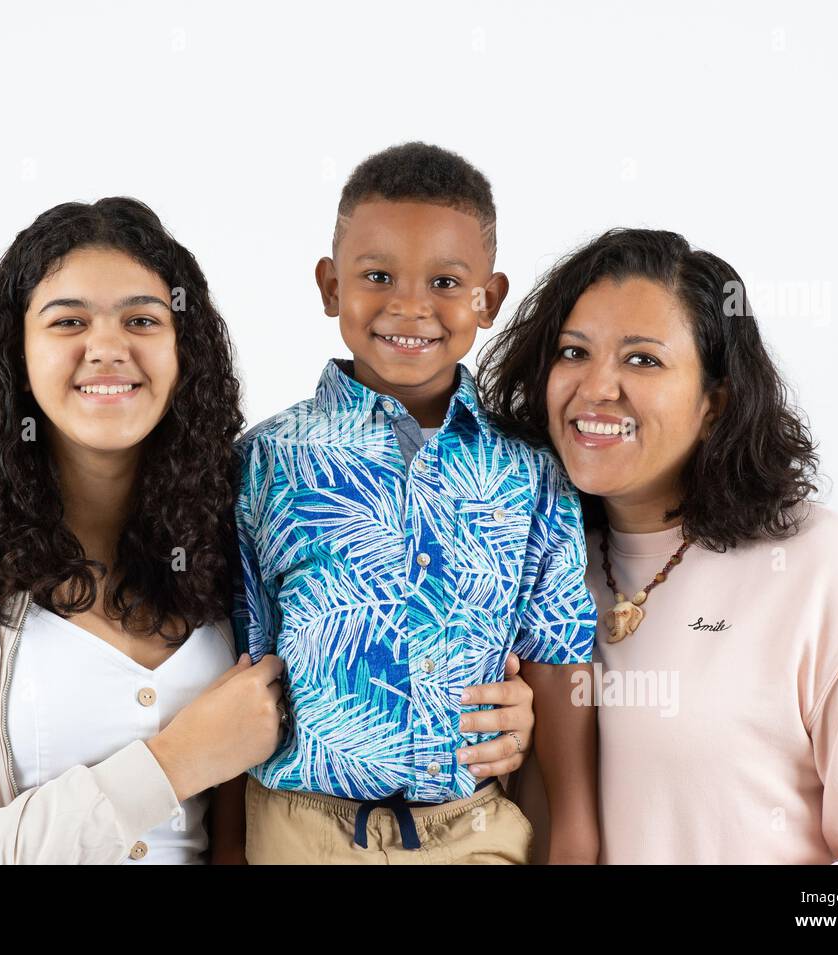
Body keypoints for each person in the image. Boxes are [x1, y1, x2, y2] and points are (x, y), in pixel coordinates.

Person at [482, 227, 838, 863]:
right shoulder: (512, 561)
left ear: (716, 403)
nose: (596, 387)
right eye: (574, 352)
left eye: (642, 359)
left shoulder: (824, 569)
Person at [0, 197, 284, 863]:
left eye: (142, 319)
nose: (107, 348)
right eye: (69, 321)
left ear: (185, 352)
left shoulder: (230, 538)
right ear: (17, 353)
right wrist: (171, 764)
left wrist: (491, 720)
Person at [235, 143, 599, 864]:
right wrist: (226, 847)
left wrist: (576, 831)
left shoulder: (529, 472)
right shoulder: (267, 460)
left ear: (488, 300)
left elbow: (555, 655)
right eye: (377, 276)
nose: (410, 306)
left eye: (444, 281)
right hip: (297, 830)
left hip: (474, 829)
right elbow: (236, 662)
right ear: (330, 285)